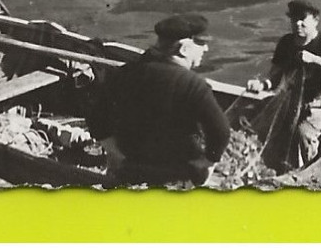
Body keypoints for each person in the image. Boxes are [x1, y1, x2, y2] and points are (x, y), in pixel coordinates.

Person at [90, 13, 230, 186]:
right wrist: (207, 162)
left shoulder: (124, 72)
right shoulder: (194, 86)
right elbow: (221, 132)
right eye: (201, 43)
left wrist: (114, 152)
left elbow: (95, 114)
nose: (206, 49)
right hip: (175, 174)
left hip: (130, 168)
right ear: (183, 49)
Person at [246, 0, 321, 165]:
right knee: (260, 125)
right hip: (289, 101)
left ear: (316, 21)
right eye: (294, 19)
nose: (298, 24)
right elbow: (274, 76)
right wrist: (262, 84)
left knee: (304, 134)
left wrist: (315, 59)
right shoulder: (286, 43)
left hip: (319, 105)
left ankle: (309, 174)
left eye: (303, 19)